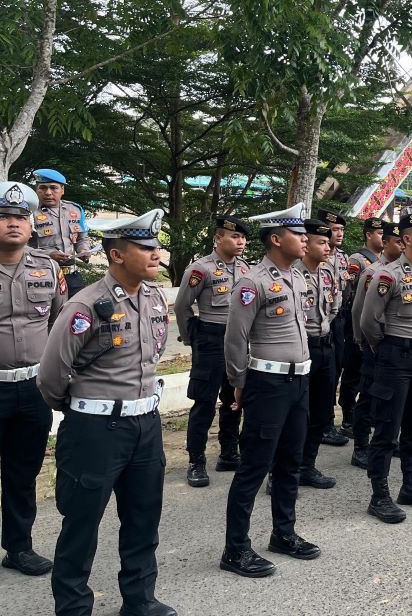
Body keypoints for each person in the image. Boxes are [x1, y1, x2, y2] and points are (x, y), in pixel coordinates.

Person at [39, 208, 176, 616]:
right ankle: (73, 606)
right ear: (117, 255)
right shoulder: (86, 305)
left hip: (145, 426)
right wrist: (84, 409)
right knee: (81, 524)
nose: (156, 255)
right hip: (95, 430)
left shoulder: (153, 297)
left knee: (142, 518)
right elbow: (51, 376)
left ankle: (139, 599)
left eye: (156, 246)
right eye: (145, 247)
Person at [221, 203, 320, 579]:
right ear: (277, 239)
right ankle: (236, 548)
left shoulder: (297, 278)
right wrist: (238, 383)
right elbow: (235, 338)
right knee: (254, 467)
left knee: (289, 463)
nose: (306, 240)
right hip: (268, 383)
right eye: (298, 235)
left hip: (299, 382)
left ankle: (284, 533)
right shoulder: (253, 282)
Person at [359, 212, 412, 523]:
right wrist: (387, 348)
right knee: (386, 429)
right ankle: (379, 495)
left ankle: (411, 485)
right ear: (407, 239)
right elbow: (368, 321)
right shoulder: (388, 275)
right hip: (395, 356)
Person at [0, 181, 63, 578]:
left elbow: (60, 324)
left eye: (20, 217)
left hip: (32, 388)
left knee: (23, 472)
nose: (13, 223)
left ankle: (18, 547)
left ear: (31, 223)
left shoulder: (47, 266)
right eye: (4, 216)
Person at [175, 216, 252, 488]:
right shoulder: (201, 269)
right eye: (234, 237)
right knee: (204, 402)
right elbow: (182, 306)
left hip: (238, 341)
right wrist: (191, 337)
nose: (240, 242)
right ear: (218, 238)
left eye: (243, 238)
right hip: (210, 338)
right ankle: (196, 461)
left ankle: (229, 453)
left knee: (234, 398)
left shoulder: (244, 268)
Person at [348, 222, 407, 469]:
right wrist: (361, 340)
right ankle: (361, 446)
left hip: (396, 343)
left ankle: (388, 439)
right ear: (385, 244)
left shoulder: (406, 270)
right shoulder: (373, 272)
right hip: (375, 342)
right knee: (370, 393)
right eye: (397, 242)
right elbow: (359, 310)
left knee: (392, 395)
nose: (402, 246)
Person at [294, 219, 342, 489]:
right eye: (321, 242)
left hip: (325, 344)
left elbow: (334, 308)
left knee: (322, 411)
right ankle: (281, 471)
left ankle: (307, 465)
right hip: (302, 347)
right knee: (298, 413)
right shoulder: (292, 274)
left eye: (327, 242)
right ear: (306, 243)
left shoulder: (327, 274)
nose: (327, 247)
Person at [337, 216, 386, 437]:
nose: (383, 238)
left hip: (377, 319)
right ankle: (348, 414)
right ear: (369, 234)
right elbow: (350, 289)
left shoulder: (388, 262)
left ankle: (370, 413)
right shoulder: (358, 259)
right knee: (354, 370)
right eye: (379, 233)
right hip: (356, 319)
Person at [316, 209, 352, 448]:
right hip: (318, 322)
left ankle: (327, 422)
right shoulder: (311, 258)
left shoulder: (342, 257)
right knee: (319, 375)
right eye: (334, 230)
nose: (338, 234)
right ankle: (320, 423)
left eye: (341, 230)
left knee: (334, 370)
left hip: (338, 319)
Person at [30, 169, 90, 297]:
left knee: (77, 312)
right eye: (43, 188)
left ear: (62, 190)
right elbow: (21, 247)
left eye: (53, 188)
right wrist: (48, 254)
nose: (48, 193)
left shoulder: (75, 209)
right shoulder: (30, 213)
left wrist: (83, 250)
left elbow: (82, 238)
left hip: (71, 275)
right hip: (41, 274)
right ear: (37, 190)